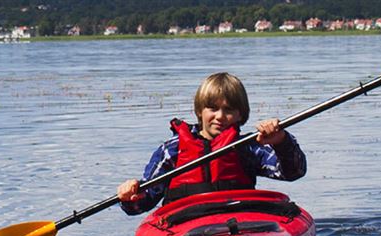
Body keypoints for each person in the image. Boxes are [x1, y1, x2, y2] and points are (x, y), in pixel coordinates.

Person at [117, 72, 306, 215]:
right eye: (213, 108)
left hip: (240, 224)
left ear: (241, 114)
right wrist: (130, 195)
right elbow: (142, 203)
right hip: (185, 226)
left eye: (229, 110)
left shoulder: (249, 146)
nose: (220, 117)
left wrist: (281, 141)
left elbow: (293, 172)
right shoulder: (171, 150)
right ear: (200, 111)